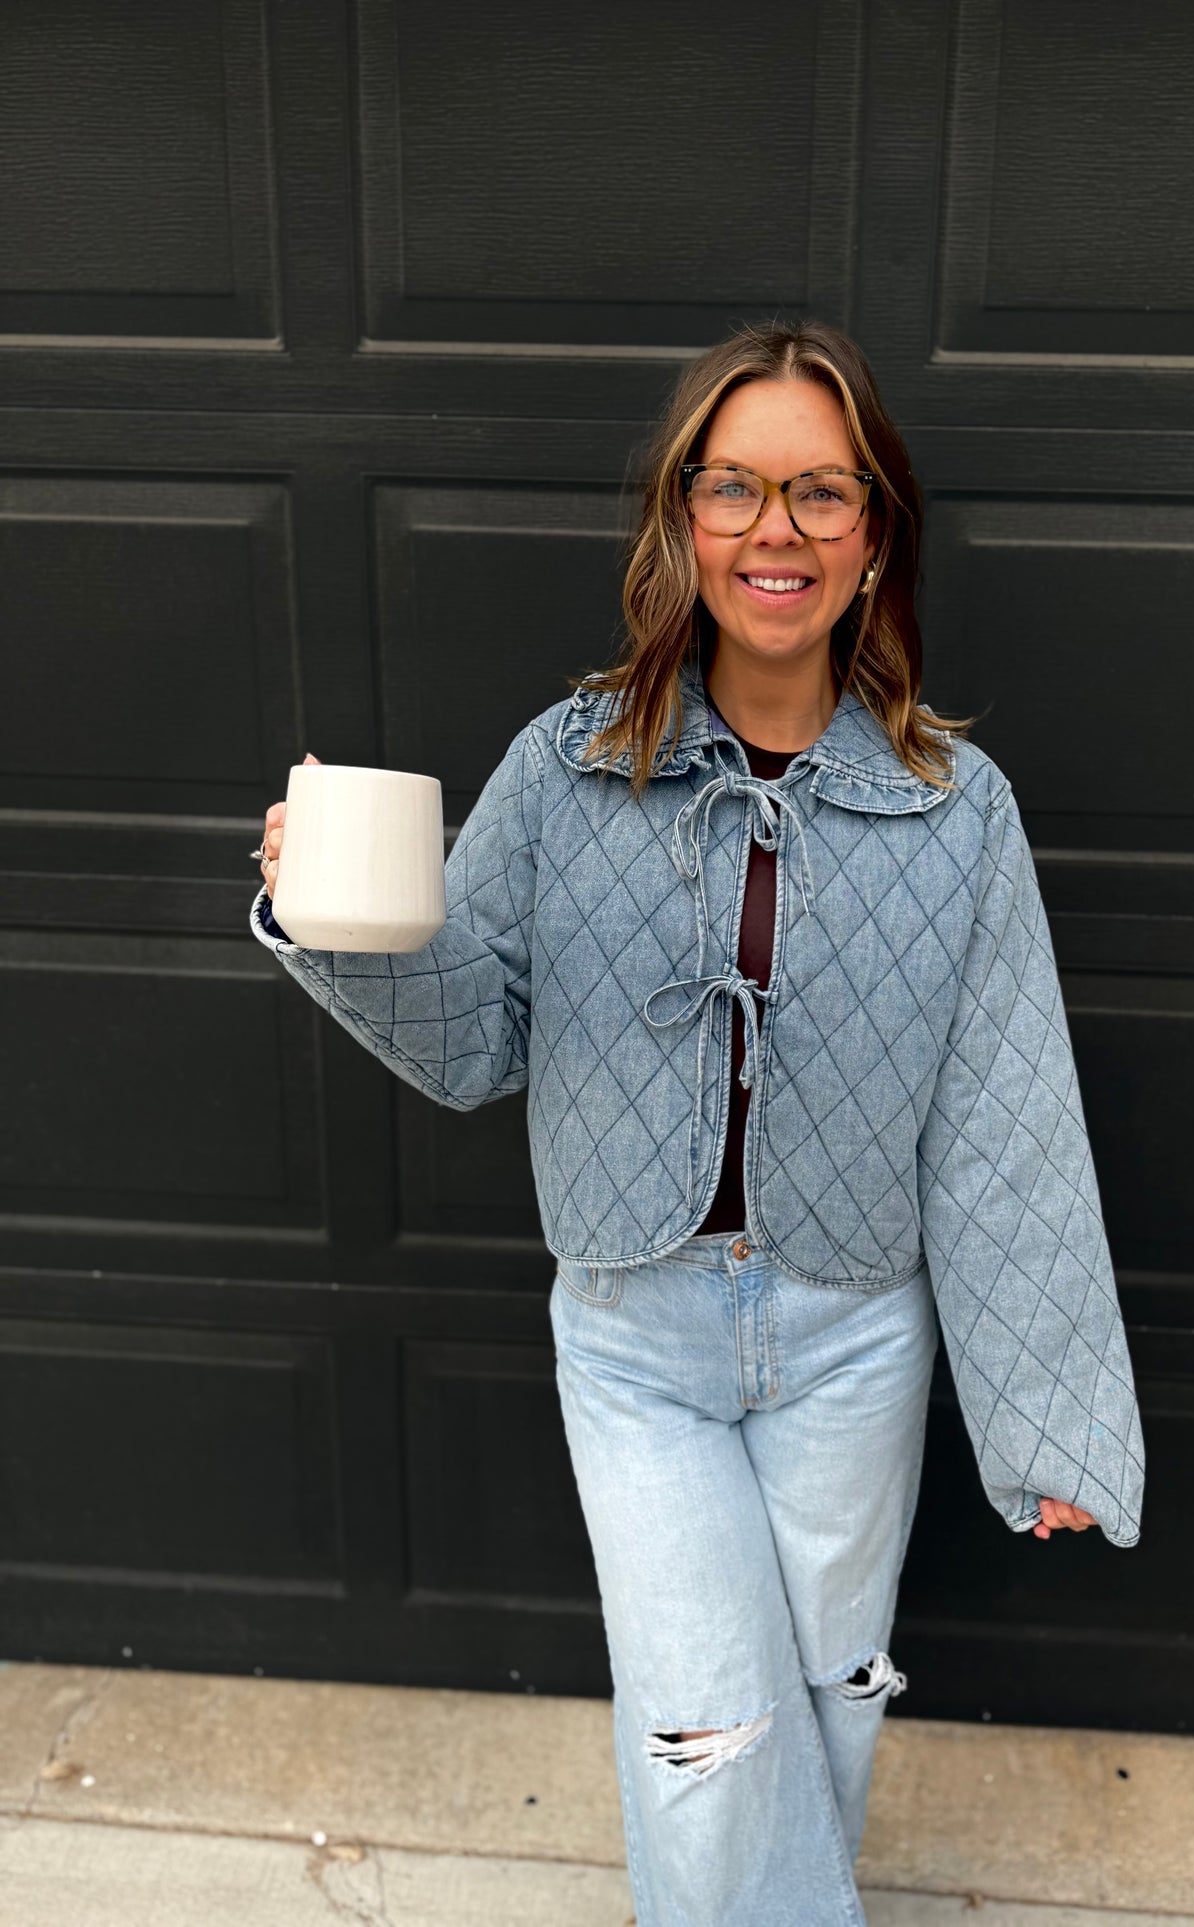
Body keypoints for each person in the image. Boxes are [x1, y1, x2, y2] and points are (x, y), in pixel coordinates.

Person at [248, 318, 1146, 1927]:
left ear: (874, 532)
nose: (773, 530)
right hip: (634, 1339)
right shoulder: (567, 763)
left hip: (854, 1340)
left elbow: (1006, 1123)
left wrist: (1049, 1423)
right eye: (732, 487)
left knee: (822, 1704)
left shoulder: (955, 807)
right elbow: (473, 1048)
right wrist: (335, 924)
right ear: (680, 520)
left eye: (819, 490)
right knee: (707, 1736)